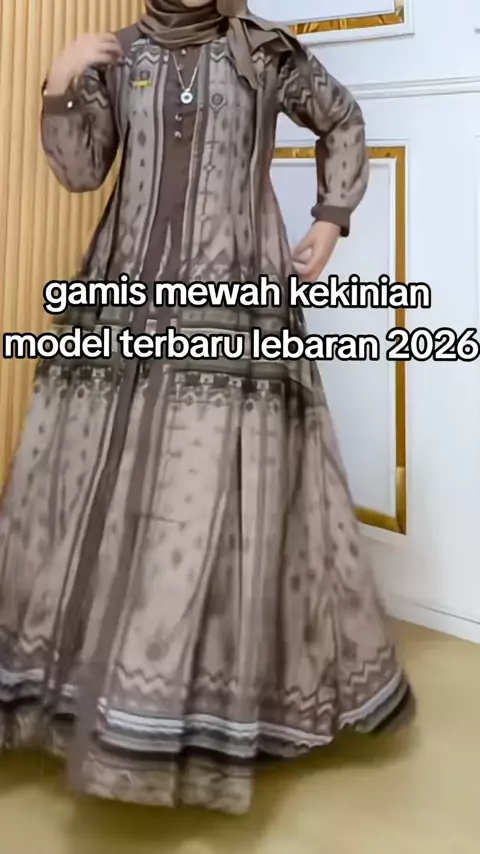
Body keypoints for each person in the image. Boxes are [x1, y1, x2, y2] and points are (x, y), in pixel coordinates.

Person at [0, 0, 414, 815]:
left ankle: (183, 718)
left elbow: (341, 119)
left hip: (235, 307)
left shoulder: (265, 54)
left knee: (206, 499)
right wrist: (60, 85)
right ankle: (99, 699)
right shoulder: (118, 54)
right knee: (97, 493)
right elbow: (82, 172)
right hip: (123, 304)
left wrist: (331, 221)